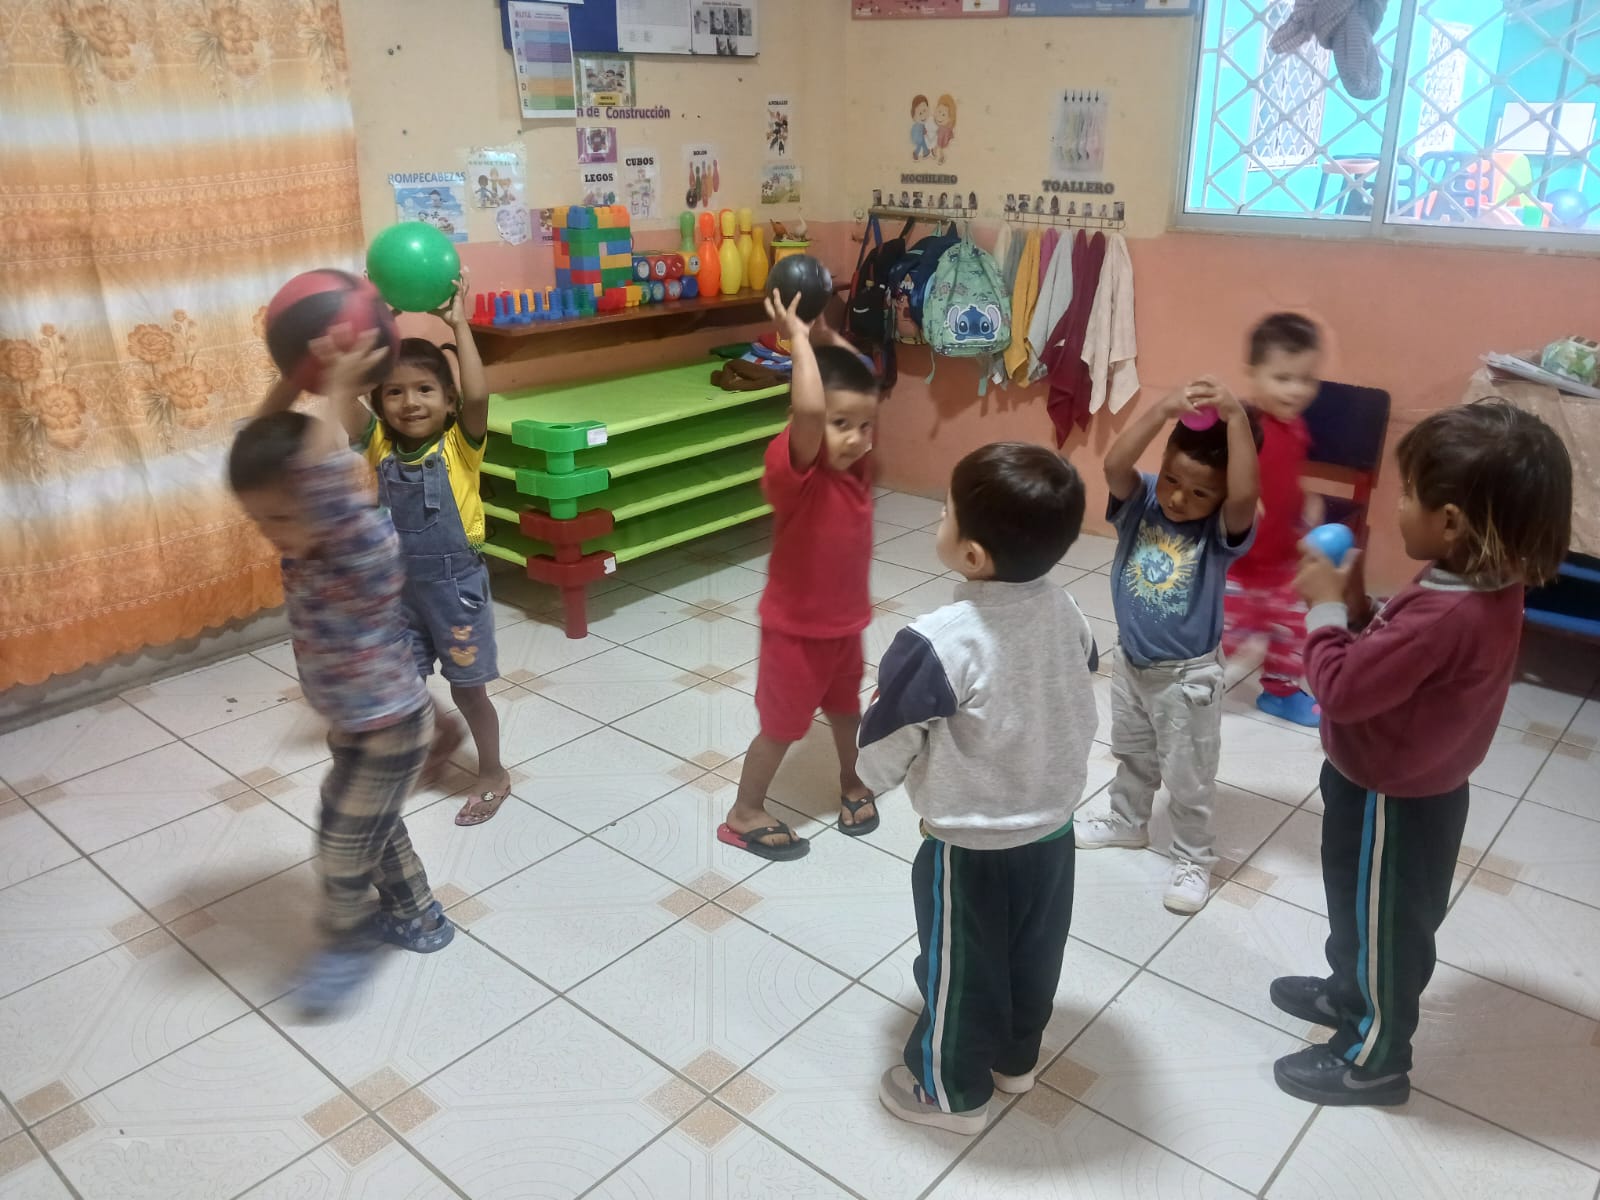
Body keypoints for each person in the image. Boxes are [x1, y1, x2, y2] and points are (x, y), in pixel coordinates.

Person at [1271, 399, 1572, 1106]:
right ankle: (1350, 992)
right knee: (1362, 910)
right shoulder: (1476, 580)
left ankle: (1373, 1059)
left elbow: (1342, 689)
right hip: (1394, 781)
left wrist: (1322, 608)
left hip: (1395, 800)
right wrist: (1356, 606)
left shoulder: (1448, 609)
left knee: (1387, 932)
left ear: (1453, 522)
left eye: (1410, 494)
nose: (1400, 505)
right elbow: (1399, 659)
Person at [859, 442, 1096, 1135]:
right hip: (1053, 832)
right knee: (1033, 955)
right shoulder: (1069, 609)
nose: (938, 520)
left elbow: (888, 738)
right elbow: (1080, 672)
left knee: (961, 968)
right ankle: (1016, 1061)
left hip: (969, 847)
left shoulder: (938, 640)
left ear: (971, 555)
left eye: (945, 513)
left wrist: (863, 785)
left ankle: (950, 1092)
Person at [229, 334, 456, 1017]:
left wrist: (333, 387)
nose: (270, 531)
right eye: (259, 518)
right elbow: (259, 453)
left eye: (278, 516)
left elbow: (319, 479)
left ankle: (347, 941)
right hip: (355, 720)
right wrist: (292, 380)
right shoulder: (306, 534)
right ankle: (418, 916)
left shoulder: (358, 539)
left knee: (340, 844)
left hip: (389, 728)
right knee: (373, 827)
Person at [1075, 380, 1262, 914]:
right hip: (1132, 663)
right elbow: (1115, 464)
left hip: (1187, 679)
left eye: (1201, 493)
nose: (1179, 498)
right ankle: (1128, 821)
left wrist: (1237, 420)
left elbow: (1244, 496)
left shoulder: (1219, 531)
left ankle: (1194, 859)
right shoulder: (1142, 502)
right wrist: (1160, 410)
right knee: (1132, 754)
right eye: (1174, 479)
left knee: (1189, 776)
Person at [332, 274, 509, 827]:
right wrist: (375, 327)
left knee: (468, 690)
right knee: (400, 687)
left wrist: (459, 324)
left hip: (456, 592)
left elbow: (479, 395)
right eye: (394, 391)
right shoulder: (377, 444)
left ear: (448, 400)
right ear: (380, 402)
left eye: (425, 390)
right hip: (397, 592)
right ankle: (436, 739)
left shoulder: (461, 444)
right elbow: (340, 392)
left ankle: (493, 772)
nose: (410, 402)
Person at [717, 291, 881, 861]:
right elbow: (811, 411)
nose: (856, 437)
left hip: (843, 628)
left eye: (865, 426)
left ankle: (852, 780)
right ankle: (744, 812)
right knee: (783, 727)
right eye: (841, 425)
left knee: (845, 711)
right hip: (794, 633)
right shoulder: (797, 475)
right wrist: (799, 339)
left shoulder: (855, 468)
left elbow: (859, 387)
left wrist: (829, 338)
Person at [1222, 313, 1326, 727]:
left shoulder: (1296, 426)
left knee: (1291, 631)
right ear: (1253, 373)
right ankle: (1185, 678)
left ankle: (1280, 693)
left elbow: (1286, 476)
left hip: (1283, 560)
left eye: (1306, 379)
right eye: (1283, 378)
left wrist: (1306, 506)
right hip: (1238, 563)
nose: (1296, 390)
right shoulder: (1243, 428)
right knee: (1223, 635)